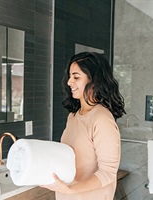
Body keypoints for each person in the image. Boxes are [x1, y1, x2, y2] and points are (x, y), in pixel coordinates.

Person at [42, 52, 126, 199]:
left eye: (76, 77)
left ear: (94, 80)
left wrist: (71, 190)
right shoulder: (73, 116)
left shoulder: (101, 119)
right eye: (70, 76)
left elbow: (108, 173)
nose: (69, 82)